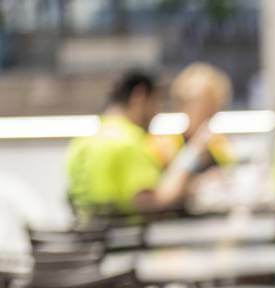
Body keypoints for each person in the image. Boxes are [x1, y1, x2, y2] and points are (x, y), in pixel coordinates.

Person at [66, 69, 211, 217]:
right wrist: (190, 156)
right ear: (140, 96)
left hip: (87, 236)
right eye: (156, 103)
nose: (156, 113)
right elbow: (154, 202)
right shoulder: (128, 143)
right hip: (124, 237)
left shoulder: (81, 143)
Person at [150, 62, 235, 174]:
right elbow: (167, 184)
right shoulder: (165, 143)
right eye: (203, 104)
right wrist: (195, 148)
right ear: (182, 105)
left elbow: (229, 170)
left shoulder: (218, 143)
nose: (209, 111)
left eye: (214, 105)